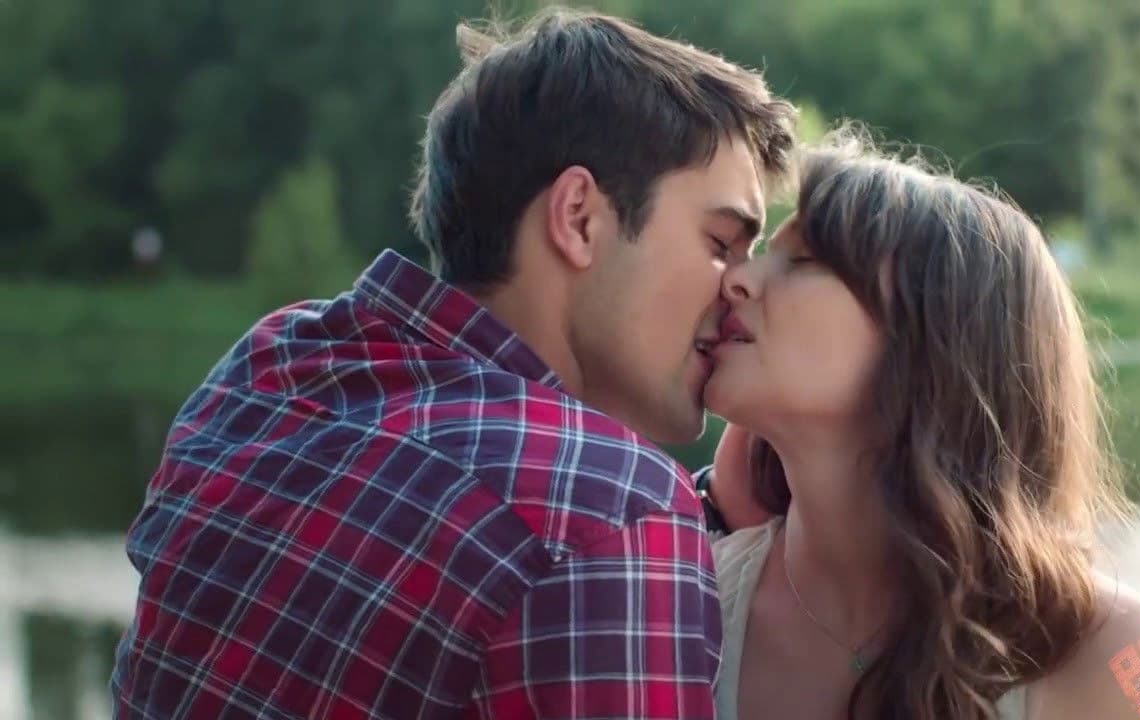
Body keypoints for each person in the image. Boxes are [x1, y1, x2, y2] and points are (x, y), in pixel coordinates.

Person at [110, 9, 795, 719]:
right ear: (578, 217)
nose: (741, 287)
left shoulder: (267, 371)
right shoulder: (608, 513)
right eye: (722, 243)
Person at [699, 129, 1140, 719]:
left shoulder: (1114, 655)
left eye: (803, 260)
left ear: (933, 339)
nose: (737, 278)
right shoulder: (687, 602)